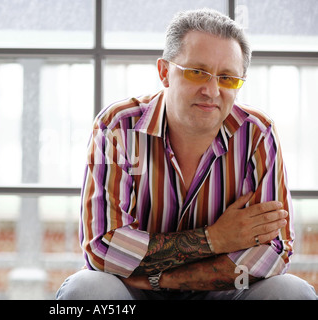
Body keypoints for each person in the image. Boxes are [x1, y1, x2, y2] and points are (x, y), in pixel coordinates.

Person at [56, 8, 317, 300]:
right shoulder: (118, 127)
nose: (212, 90)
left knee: (292, 292)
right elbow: (102, 248)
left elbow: (274, 250)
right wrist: (214, 239)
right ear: (164, 72)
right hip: (132, 293)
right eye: (197, 72)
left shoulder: (257, 133)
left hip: (219, 291)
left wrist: (165, 279)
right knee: (86, 289)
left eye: (228, 78)